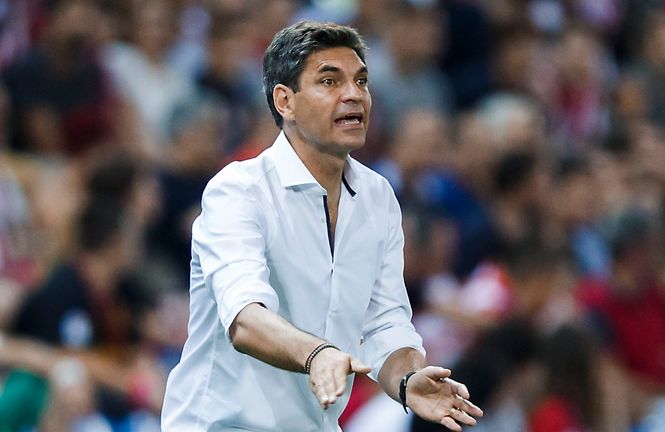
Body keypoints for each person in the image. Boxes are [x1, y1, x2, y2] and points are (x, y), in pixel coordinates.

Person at [161, 21, 483, 432]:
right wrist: (318, 354)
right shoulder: (237, 190)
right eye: (329, 81)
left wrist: (406, 381)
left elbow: (385, 322)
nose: (353, 94)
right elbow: (244, 318)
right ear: (285, 101)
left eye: (361, 81)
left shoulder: (378, 196)